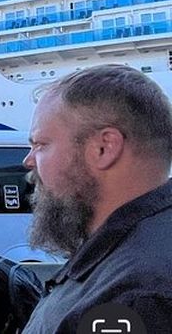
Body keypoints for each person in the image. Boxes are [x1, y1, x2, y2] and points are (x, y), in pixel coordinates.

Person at [22, 65, 172, 333]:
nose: (28, 161)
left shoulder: (135, 296)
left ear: (104, 148)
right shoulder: (131, 259)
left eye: (41, 145)